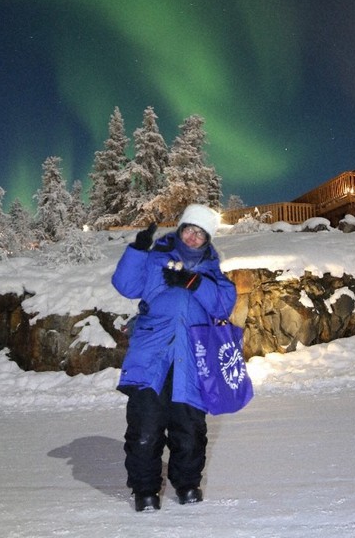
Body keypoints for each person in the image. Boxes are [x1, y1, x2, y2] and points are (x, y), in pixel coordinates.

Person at [111, 203, 237, 512]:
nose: (193, 238)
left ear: (207, 240)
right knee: (145, 429)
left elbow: (223, 306)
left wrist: (194, 283)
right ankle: (145, 491)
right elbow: (125, 285)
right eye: (189, 230)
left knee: (189, 431)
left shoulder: (213, 272)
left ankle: (188, 485)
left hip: (193, 362)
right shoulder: (155, 260)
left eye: (200, 234)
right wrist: (138, 250)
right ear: (180, 230)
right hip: (151, 357)